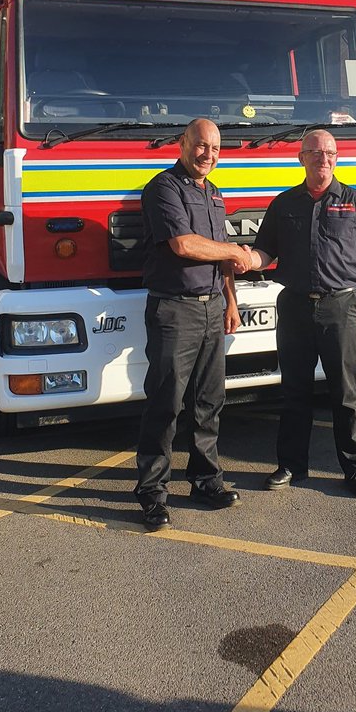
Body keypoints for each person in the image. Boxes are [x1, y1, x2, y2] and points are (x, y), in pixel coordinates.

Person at [244, 129, 356, 496]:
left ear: (336, 159)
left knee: (345, 393)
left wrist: (353, 279)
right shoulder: (284, 204)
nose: (322, 158)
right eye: (314, 152)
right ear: (301, 159)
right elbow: (264, 252)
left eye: (328, 153)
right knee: (294, 391)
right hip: (294, 306)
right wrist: (244, 260)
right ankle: (291, 467)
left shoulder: (355, 201)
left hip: (340, 308)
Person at [136, 118, 252, 530]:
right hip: (174, 310)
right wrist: (237, 250)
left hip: (211, 308)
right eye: (201, 146)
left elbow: (218, 257)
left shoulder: (214, 194)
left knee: (208, 402)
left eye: (215, 149)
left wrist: (231, 301)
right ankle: (152, 493)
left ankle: (206, 480)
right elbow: (184, 245)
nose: (208, 155)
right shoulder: (163, 188)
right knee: (165, 403)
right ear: (182, 144)